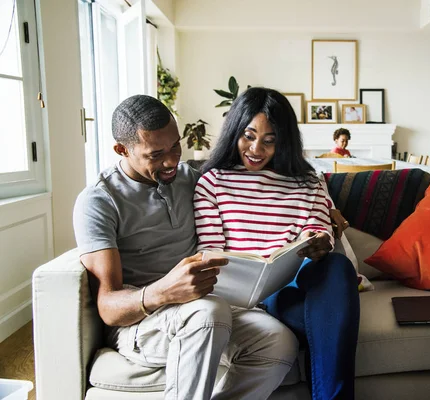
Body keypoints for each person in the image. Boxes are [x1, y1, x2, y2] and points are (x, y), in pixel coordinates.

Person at [72, 95, 299, 400]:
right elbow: (108, 308)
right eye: (155, 154)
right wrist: (165, 290)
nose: (171, 161)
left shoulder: (190, 179)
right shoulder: (99, 201)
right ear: (122, 150)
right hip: (143, 323)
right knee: (209, 310)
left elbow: (258, 184)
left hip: (207, 310)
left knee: (279, 340)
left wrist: (330, 207)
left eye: (175, 146)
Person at [195, 87, 360, 400]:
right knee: (329, 325)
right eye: (248, 135)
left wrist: (320, 240)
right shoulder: (213, 181)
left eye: (270, 140)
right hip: (246, 294)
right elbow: (211, 252)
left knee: (337, 266)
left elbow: (317, 225)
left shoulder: (308, 180)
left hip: (294, 285)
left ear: (284, 140)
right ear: (234, 131)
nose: (257, 148)